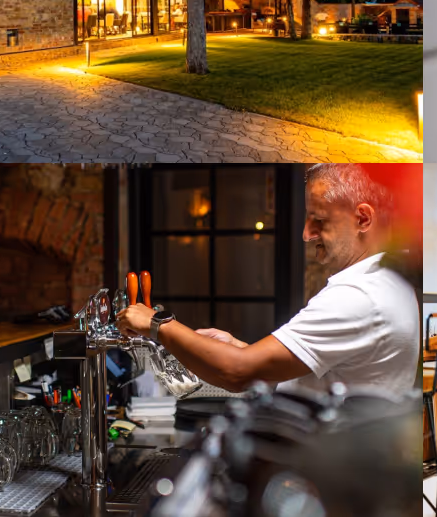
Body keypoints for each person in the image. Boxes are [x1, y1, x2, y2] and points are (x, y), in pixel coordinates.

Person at [117, 164, 420, 393]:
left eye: (319, 220)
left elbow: (236, 373)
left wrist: (156, 324)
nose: (306, 234)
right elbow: (313, 372)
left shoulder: (357, 296)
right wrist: (241, 348)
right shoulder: (388, 282)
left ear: (363, 219)